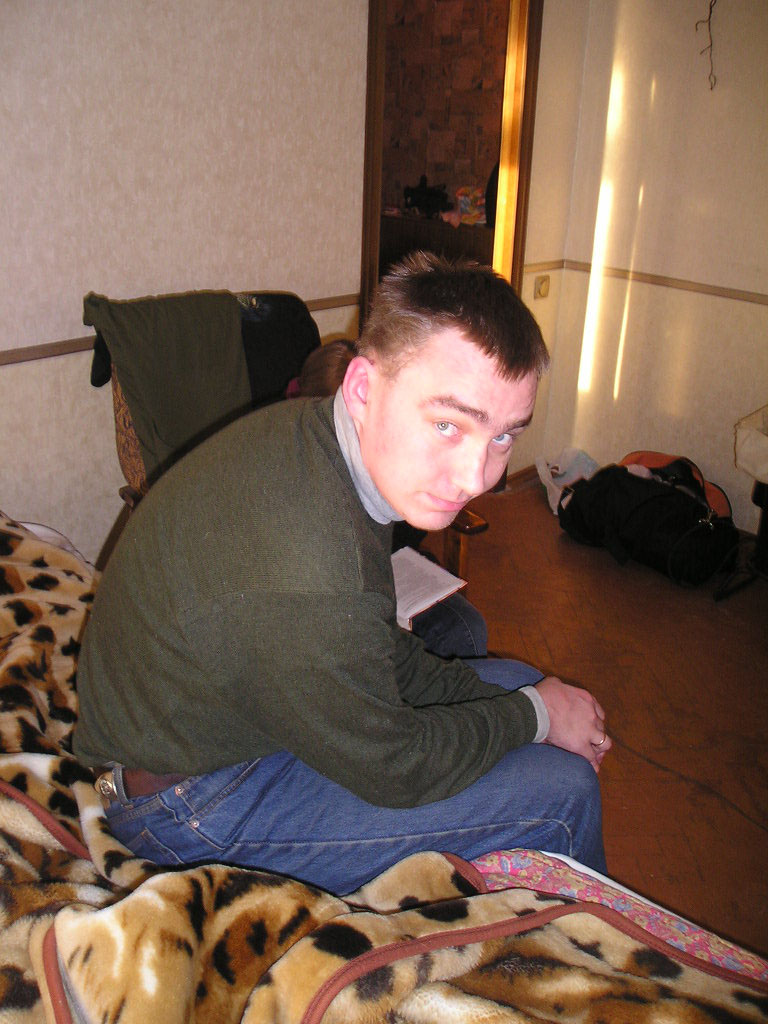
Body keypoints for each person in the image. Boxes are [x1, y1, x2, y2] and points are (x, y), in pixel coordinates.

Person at [73, 252, 612, 895]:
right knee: (562, 787)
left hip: (237, 719)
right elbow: (395, 766)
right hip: (186, 799)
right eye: (448, 424)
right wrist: (534, 718)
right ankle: (588, 946)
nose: (477, 477)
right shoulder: (311, 564)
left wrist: (528, 705)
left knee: (521, 685)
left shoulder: (324, 439)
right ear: (362, 388)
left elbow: (374, 642)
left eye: (503, 437)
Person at [294, 338, 489, 658]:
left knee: (467, 628)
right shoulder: (301, 474)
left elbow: (410, 532)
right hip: (340, 595)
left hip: (397, 572)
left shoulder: (393, 452)